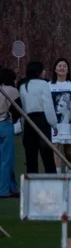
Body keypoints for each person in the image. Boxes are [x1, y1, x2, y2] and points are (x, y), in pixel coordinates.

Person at [19, 61, 59, 174]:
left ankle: (31, 188)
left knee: (31, 158)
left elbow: (22, 110)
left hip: (28, 122)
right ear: (38, 72)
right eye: (43, 70)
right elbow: (48, 106)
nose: (45, 72)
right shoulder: (44, 84)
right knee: (48, 158)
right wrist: (54, 124)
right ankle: (52, 185)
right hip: (42, 121)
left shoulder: (23, 86)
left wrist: (22, 129)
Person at [49, 58, 71, 172]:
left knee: (68, 151)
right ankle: (57, 174)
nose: (62, 68)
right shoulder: (49, 85)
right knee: (55, 148)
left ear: (68, 69)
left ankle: (69, 171)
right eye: (59, 66)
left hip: (70, 124)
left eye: (64, 66)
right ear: (55, 69)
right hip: (54, 125)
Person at [0, 69, 21, 197]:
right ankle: (3, 190)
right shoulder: (12, 91)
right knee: (6, 159)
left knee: (5, 159)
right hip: (5, 124)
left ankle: (13, 188)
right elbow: (18, 108)